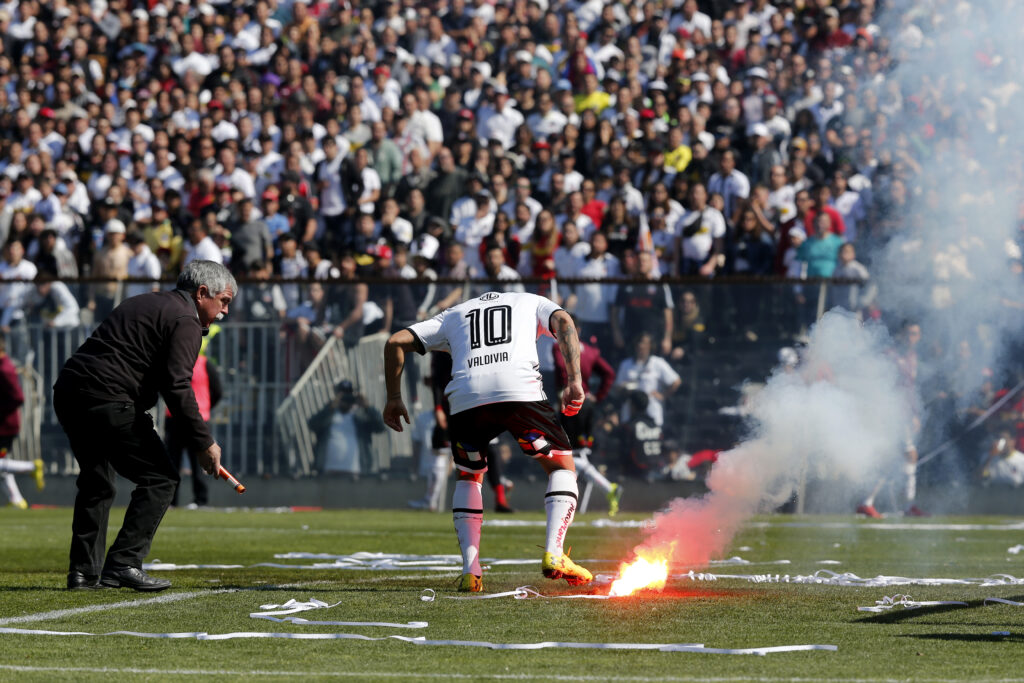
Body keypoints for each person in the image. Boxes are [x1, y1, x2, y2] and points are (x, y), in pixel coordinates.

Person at [383, 290, 591, 593]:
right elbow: (563, 320)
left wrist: (393, 398)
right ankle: (554, 553)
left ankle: (471, 570)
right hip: (519, 390)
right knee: (561, 467)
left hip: (467, 396)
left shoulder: (453, 313)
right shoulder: (530, 300)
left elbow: (394, 342)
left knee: (469, 475)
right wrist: (575, 380)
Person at [54, 260, 234, 592]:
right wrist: (204, 442)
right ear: (202, 292)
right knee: (161, 478)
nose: (224, 312)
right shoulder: (187, 320)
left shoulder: (144, 300)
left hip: (70, 392)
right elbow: (178, 386)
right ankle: (123, 563)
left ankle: (83, 573)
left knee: (97, 482)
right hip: (109, 397)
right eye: (223, 301)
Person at [553, 316, 622, 515]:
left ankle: (608, 489)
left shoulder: (559, 349)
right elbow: (608, 373)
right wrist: (596, 397)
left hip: (571, 405)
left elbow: (561, 369)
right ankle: (571, 502)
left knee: (570, 453)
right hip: (586, 406)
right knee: (576, 454)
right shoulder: (591, 351)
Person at [168, 352, 222, 509]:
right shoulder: (200, 362)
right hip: (183, 417)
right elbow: (218, 392)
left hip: (188, 417)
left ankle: (198, 500)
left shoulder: (199, 363)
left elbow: (217, 391)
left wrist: (205, 408)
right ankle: (194, 500)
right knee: (175, 462)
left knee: (192, 460)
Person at [0, 333, 44, 509]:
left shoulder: (4, 369)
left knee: (2, 464)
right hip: (4, 424)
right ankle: (17, 500)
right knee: (2, 465)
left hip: (5, 426)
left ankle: (32, 466)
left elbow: (18, 397)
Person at [309, 380, 386, 477]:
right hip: (328, 473)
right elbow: (312, 425)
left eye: (349, 393)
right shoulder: (329, 414)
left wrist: (368, 407)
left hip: (357, 474)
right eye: (343, 394)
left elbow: (381, 427)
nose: (346, 397)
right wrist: (330, 408)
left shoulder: (362, 416)